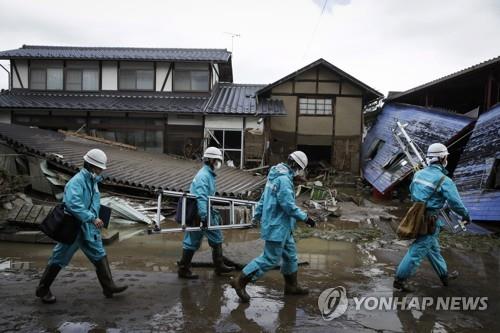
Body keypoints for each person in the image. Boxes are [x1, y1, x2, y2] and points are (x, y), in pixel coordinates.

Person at [36, 149, 127, 303]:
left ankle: (108, 286)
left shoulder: (93, 182)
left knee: (98, 253)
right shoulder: (76, 182)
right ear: (90, 166)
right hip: (74, 227)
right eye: (98, 169)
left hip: (89, 227)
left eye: (100, 169)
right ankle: (43, 289)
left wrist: (96, 217)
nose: (99, 172)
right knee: (59, 257)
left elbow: (93, 202)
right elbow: (73, 204)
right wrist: (92, 217)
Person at [231, 151, 316, 302]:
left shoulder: (275, 175)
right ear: (296, 166)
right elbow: (288, 206)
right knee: (269, 259)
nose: (299, 173)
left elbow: (263, 199)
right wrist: (306, 218)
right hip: (277, 226)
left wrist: (256, 216)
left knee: (290, 257)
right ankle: (240, 281)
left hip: (284, 227)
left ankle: (292, 286)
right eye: (300, 169)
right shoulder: (283, 180)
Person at [394, 143, 471, 292]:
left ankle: (444, 275)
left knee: (433, 249)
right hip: (430, 221)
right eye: (446, 156)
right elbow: (456, 204)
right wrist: (466, 216)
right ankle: (399, 280)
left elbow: (413, 191)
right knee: (417, 251)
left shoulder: (418, 174)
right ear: (442, 158)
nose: (446, 159)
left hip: (417, 216)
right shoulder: (444, 181)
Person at [177, 147, 234, 279]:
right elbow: (201, 197)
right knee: (214, 236)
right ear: (211, 160)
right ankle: (218, 266)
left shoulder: (207, 174)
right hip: (200, 211)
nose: (218, 163)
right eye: (217, 161)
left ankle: (184, 268)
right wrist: (203, 216)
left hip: (201, 209)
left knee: (192, 240)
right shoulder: (204, 176)